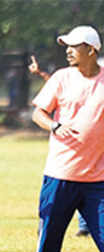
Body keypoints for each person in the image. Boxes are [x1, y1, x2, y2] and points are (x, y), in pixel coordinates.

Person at [29, 25, 104, 252]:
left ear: (91, 49)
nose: (68, 50)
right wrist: (54, 126)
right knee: (50, 237)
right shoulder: (61, 78)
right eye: (67, 46)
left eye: (74, 46)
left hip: (98, 179)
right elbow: (38, 112)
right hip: (59, 175)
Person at [29, 55, 90, 237]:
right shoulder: (65, 78)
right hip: (65, 148)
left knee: (88, 181)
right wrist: (40, 72)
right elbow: (52, 86)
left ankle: (85, 225)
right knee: (68, 179)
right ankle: (48, 226)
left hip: (91, 146)